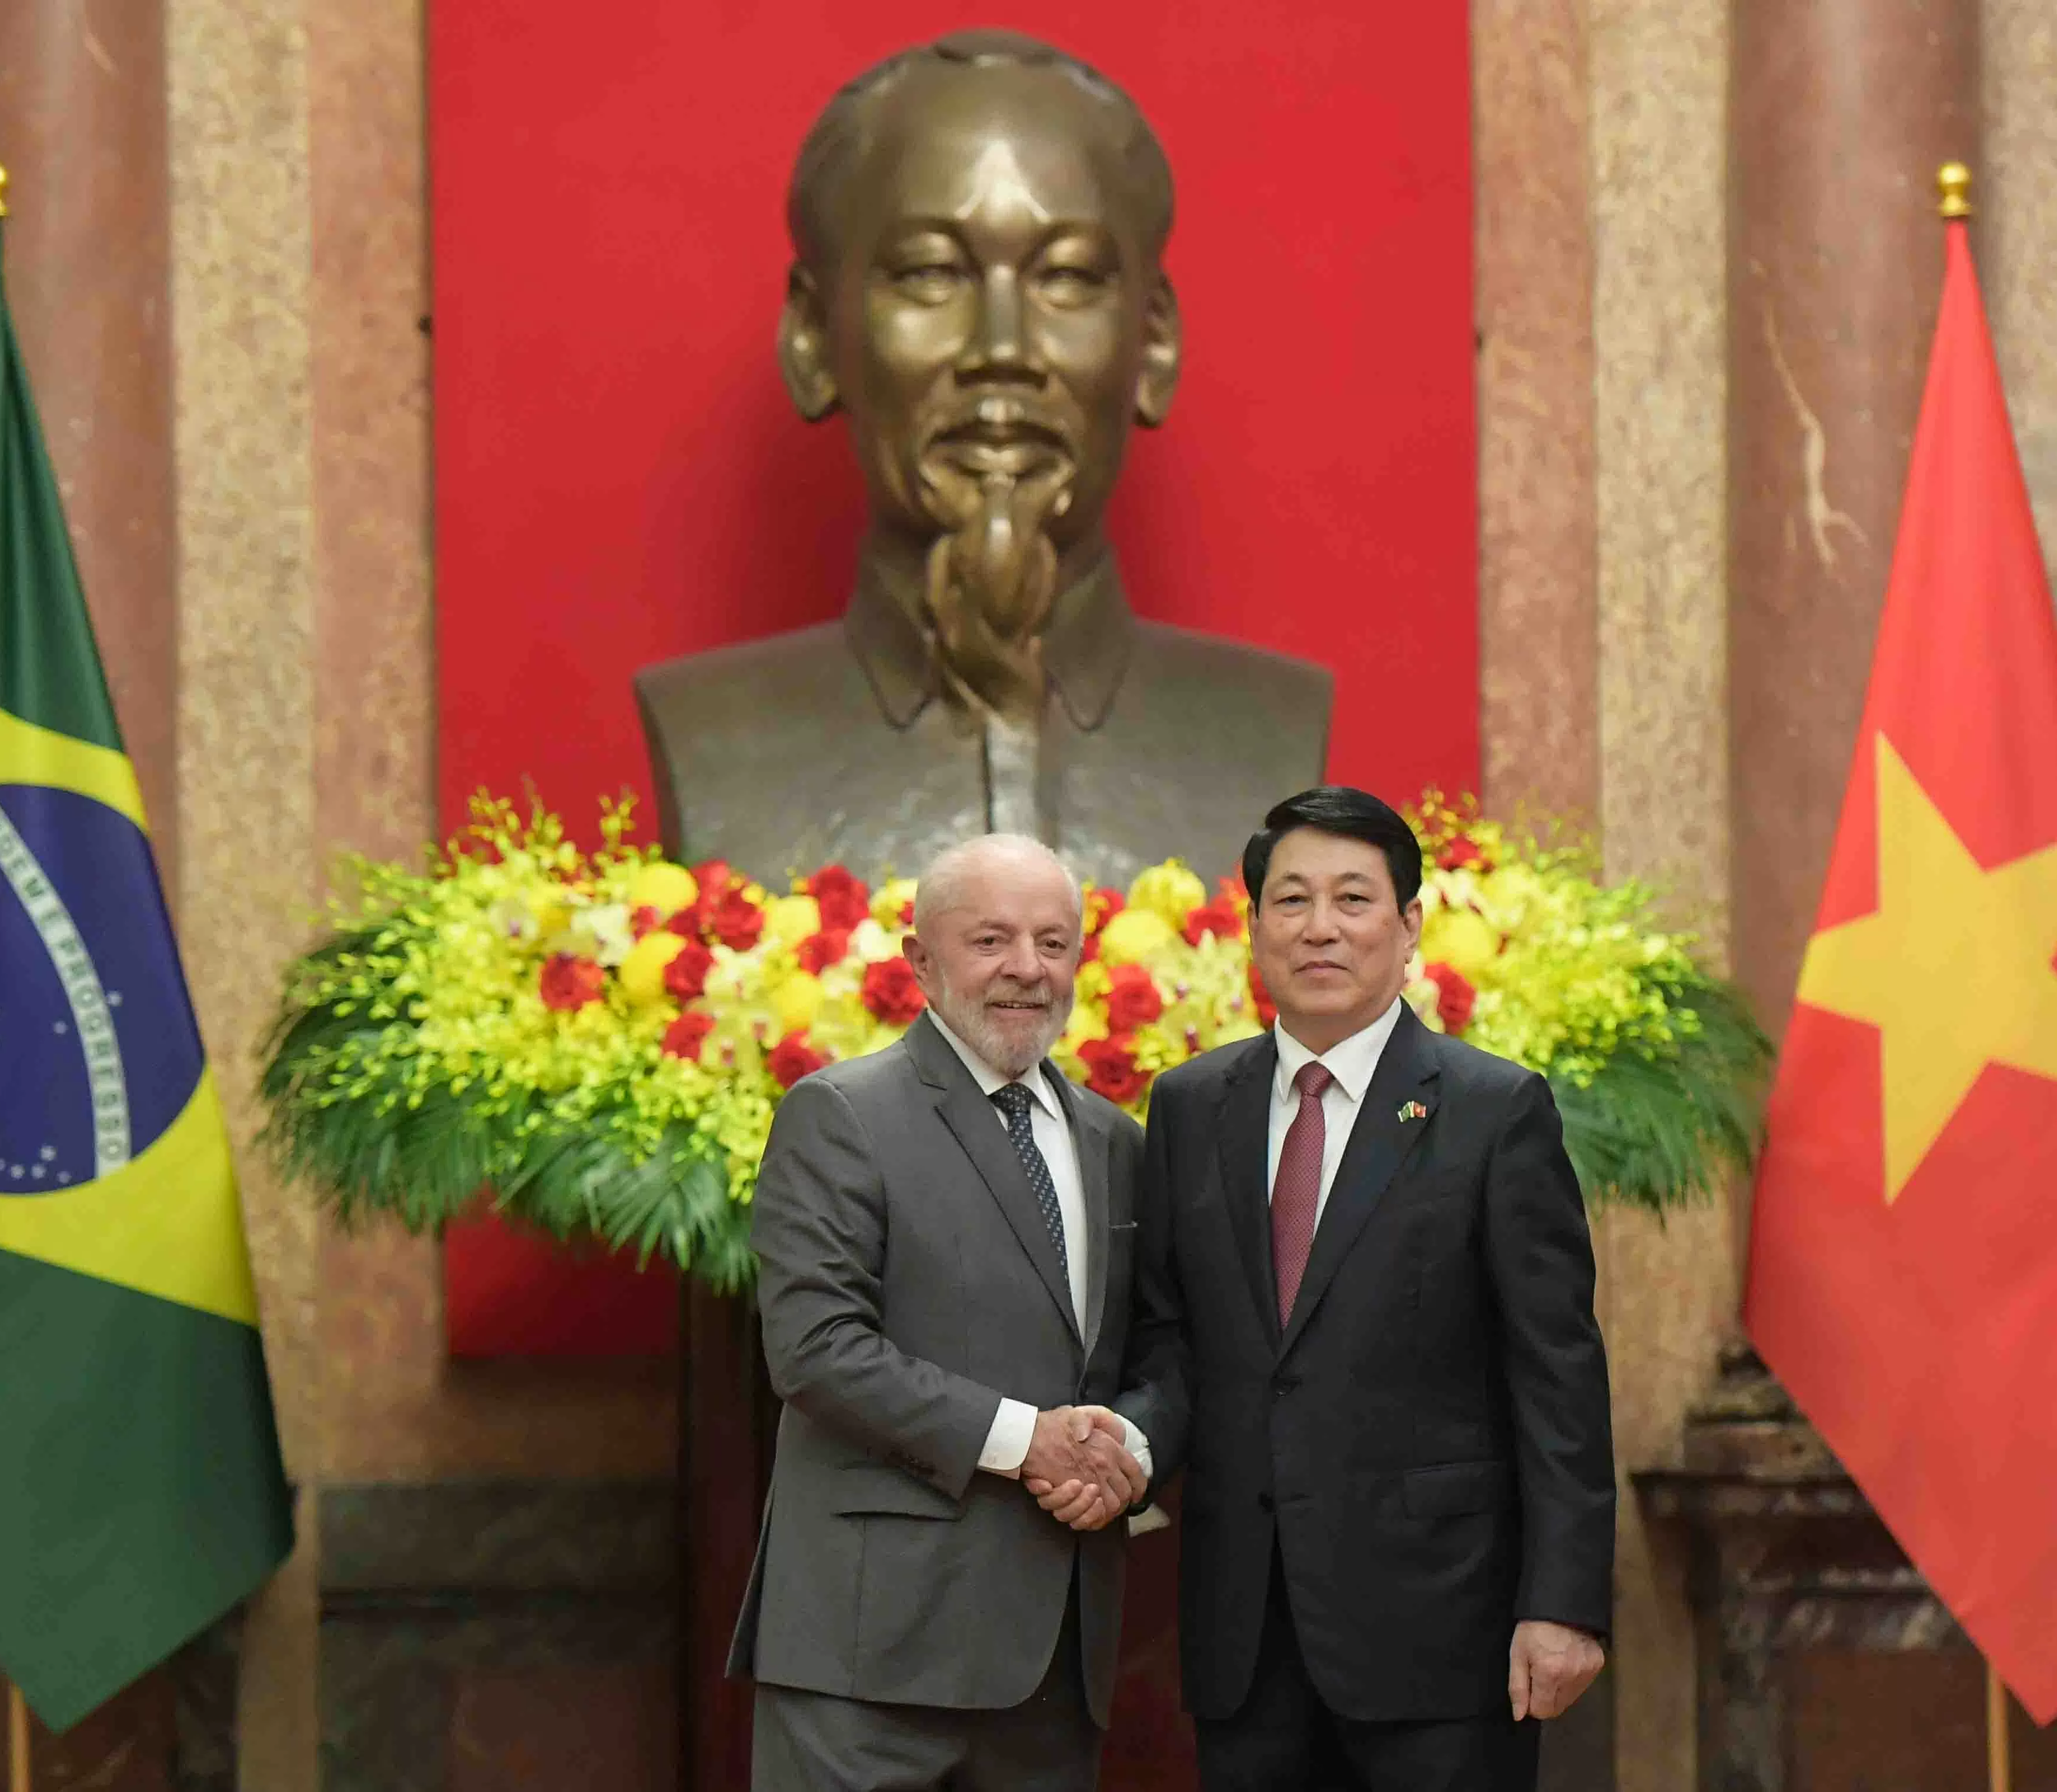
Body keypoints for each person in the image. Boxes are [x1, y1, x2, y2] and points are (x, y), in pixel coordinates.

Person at [635, 29, 1329, 891]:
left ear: (1151, 345)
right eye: (931, 275)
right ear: (814, 340)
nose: (1002, 348)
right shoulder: (713, 738)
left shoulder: (1276, 737)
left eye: (1067, 278)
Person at [1037, 787, 1615, 1790]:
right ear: (1254, 927)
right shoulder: (1188, 1106)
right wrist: (1128, 1443)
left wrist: (1562, 1603)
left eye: (1354, 899)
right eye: (1292, 900)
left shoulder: (1493, 1111)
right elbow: (1173, 1335)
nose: (1321, 927)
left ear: (1410, 927)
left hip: (1444, 1632)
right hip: (1246, 1631)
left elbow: (1556, 1373)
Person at [731, 833, 1155, 1791]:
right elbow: (816, 1349)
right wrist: (1026, 1441)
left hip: (1053, 1665)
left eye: (1053, 944)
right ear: (920, 960)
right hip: (869, 1663)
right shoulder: (839, 1113)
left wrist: (1128, 1447)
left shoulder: (1114, 1141)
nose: (1025, 970)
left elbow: (1158, 1351)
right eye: (991, 940)